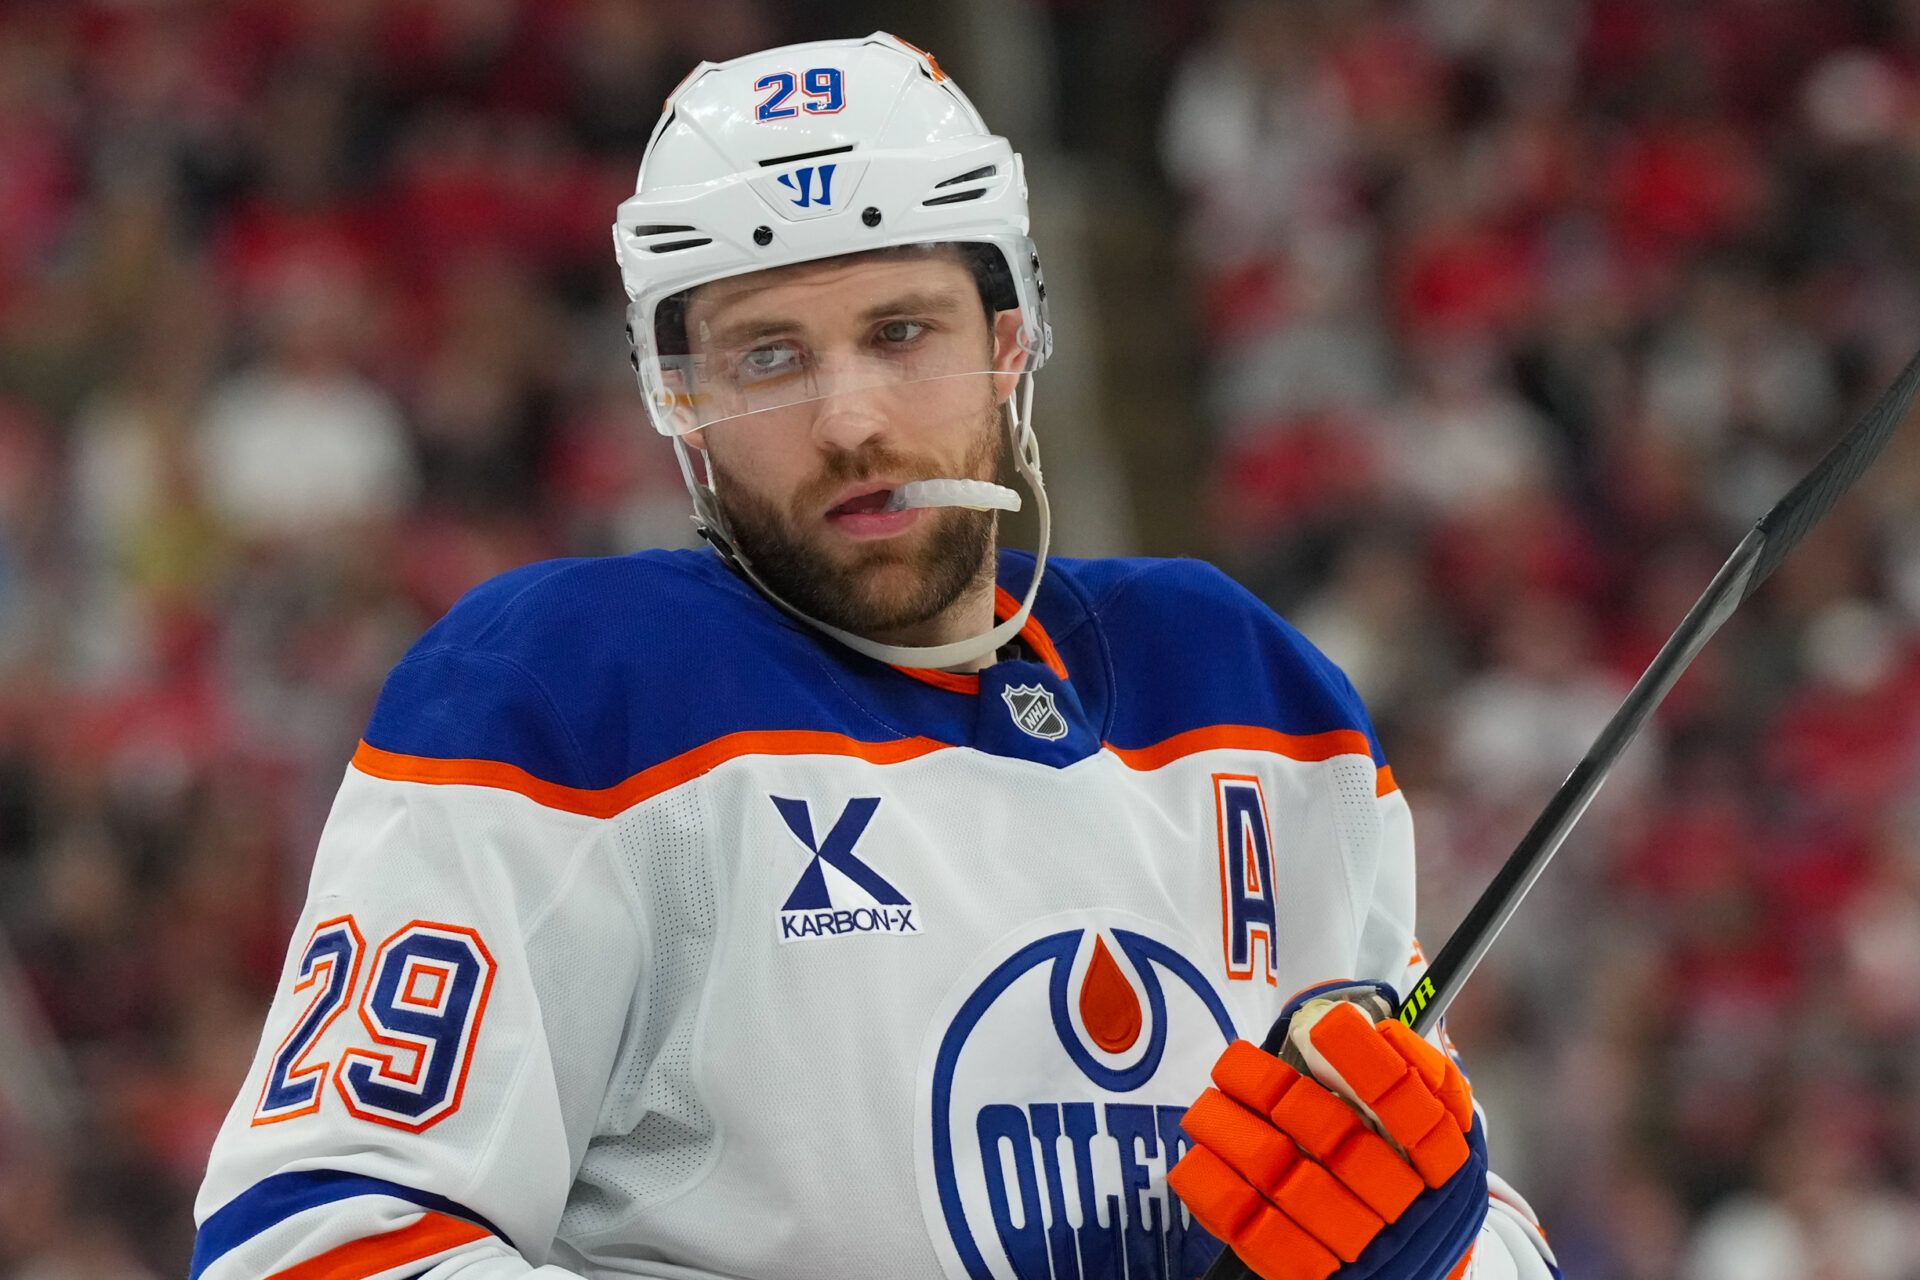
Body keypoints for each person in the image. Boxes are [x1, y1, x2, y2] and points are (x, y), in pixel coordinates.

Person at [188, 33, 1559, 1280]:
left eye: (902, 334)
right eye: (768, 357)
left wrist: (1433, 1262)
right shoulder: (563, 694)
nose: (849, 419)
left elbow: (1489, 1228)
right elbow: (310, 1250)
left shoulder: (1246, 694)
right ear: (683, 399)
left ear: (1010, 344)